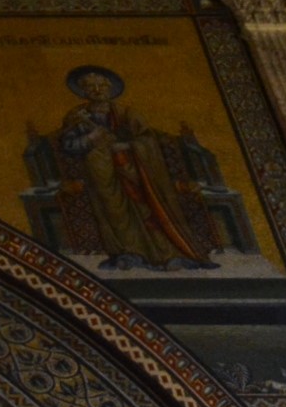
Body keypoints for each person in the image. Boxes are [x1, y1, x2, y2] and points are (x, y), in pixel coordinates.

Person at [51, 67, 217, 271]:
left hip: (134, 170)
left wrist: (127, 146)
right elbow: (68, 146)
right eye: (90, 87)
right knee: (114, 213)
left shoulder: (126, 113)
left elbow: (147, 139)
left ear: (109, 88)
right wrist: (91, 138)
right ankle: (128, 253)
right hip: (100, 174)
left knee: (148, 207)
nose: (97, 90)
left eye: (101, 85)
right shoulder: (76, 117)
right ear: (83, 91)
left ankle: (168, 253)